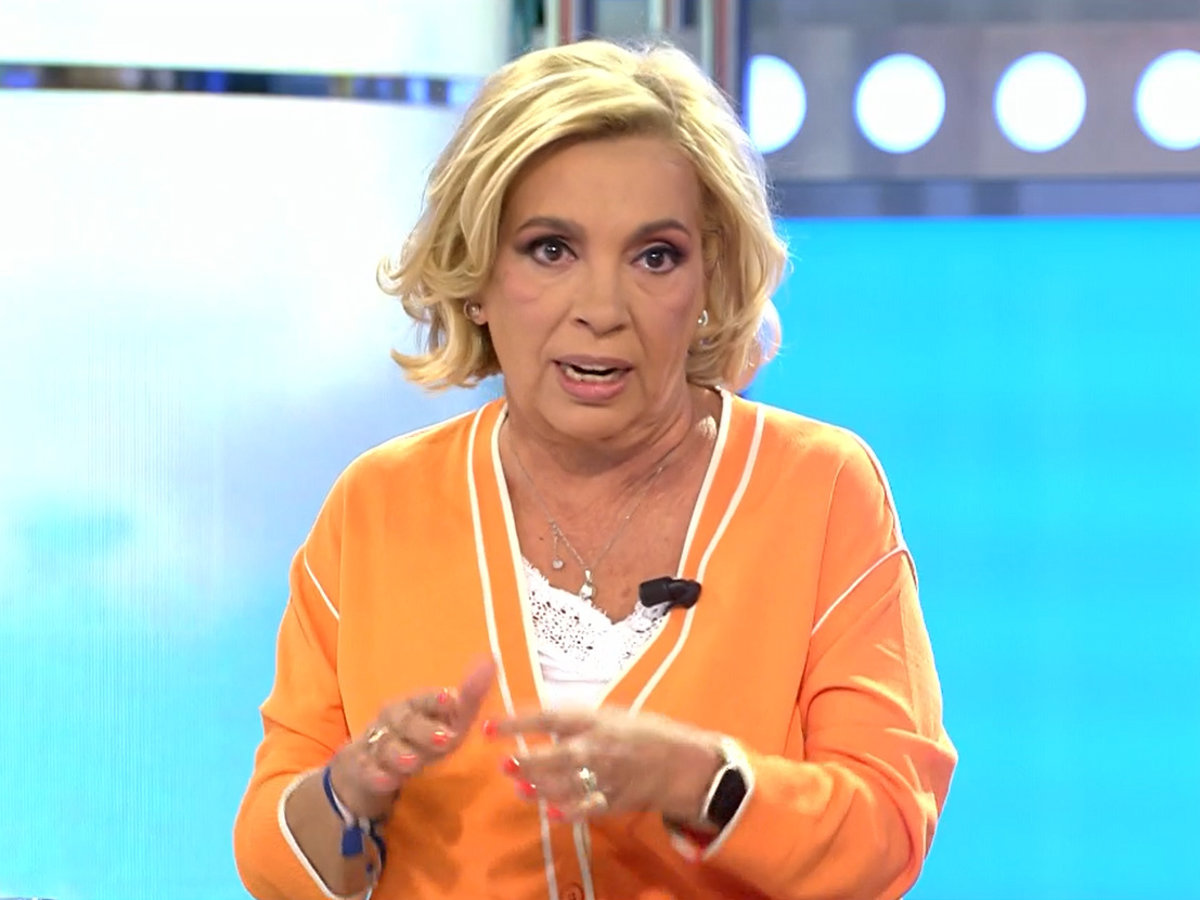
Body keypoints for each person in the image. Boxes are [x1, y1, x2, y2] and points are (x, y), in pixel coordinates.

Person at [233, 38, 957, 900]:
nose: (603, 310)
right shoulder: (378, 505)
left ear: (707, 281)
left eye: (655, 257)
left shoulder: (822, 488)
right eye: (551, 250)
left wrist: (698, 779)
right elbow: (273, 858)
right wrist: (354, 791)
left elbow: (886, 828)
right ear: (476, 276)